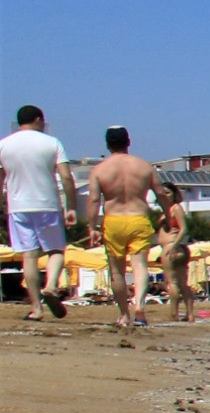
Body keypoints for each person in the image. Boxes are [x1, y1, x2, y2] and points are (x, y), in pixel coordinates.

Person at [86, 126, 172, 328]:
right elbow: (161, 193)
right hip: (138, 217)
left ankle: (124, 314)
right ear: (129, 142)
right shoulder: (143, 166)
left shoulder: (99, 170)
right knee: (140, 265)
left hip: (113, 220)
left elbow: (92, 200)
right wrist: (168, 215)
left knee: (117, 271)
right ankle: (139, 306)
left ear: (107, 144)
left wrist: (91, 227)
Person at [0, 105, 79, 321]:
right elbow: (65, 177)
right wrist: (71, 206)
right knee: (55, 251)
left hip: (18, 205)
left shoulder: (4, 145)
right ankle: (52, 285)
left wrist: (1, 204)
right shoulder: (52, 143)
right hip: (47, 203)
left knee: (29, 256)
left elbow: (0, 178)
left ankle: (36, 308)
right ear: (38, 119)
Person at [155, 184, 197, 322]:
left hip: (172, 246)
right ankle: (189, 314)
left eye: (168, 193)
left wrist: (174, 246)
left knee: (171, 282)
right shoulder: (166, 210)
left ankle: (174, 313)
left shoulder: (175, 208)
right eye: (163, 193)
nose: (165, 195)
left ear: (174, 194)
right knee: (182, 283)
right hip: (176, 247)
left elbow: (184, 229)